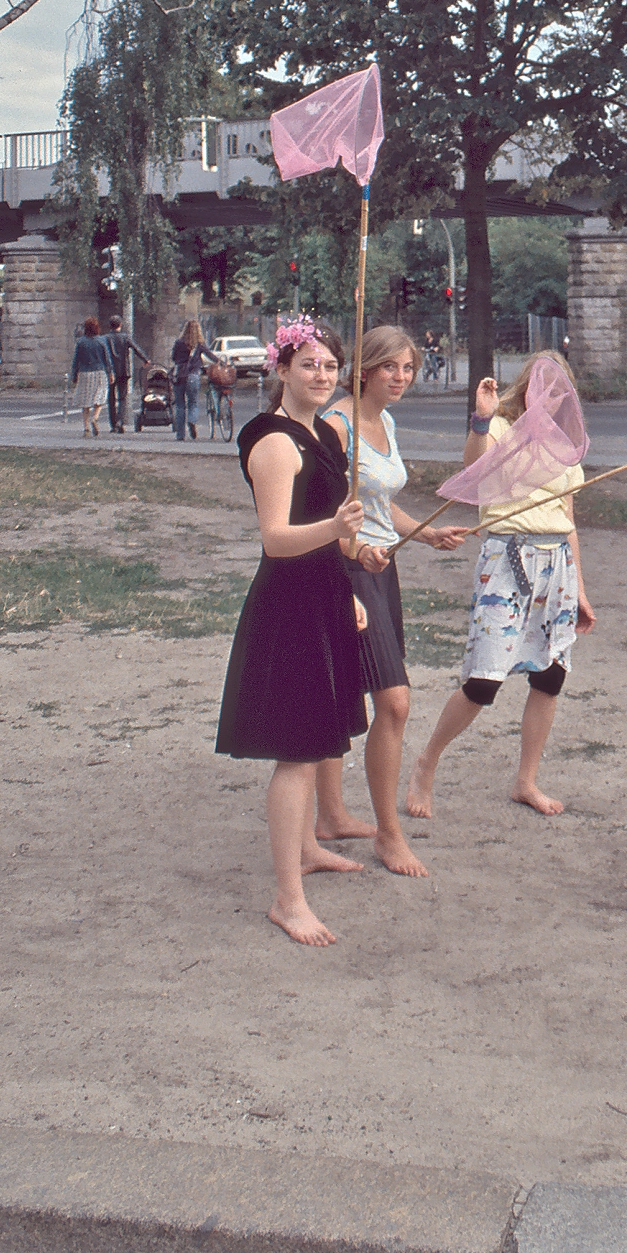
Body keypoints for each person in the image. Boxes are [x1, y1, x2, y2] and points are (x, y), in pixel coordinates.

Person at [215, 318, 383, 948]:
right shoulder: (275, 443)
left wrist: (357, 554)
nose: (321, 375)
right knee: (296, 751)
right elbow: (277, 540)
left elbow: (328, 531)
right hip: (288, 606)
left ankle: (310, 846)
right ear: (281, 369)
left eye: (330, 367)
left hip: (324, 596)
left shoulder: (324, 440)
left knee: (318, 740)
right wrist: (337, 528)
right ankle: (289, 899)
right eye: (308, 364)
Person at [405, 351, 597, 822]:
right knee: (484, 681)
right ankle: (426, 762)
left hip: (558, 564)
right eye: (541, 387)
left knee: (550, 676)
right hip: (510, 559)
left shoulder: (567, 446)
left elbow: (567, 519)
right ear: (526, 387)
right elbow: (473, 471)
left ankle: (525, 781)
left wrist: (582, 590)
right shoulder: (498, 431)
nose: (549, 397)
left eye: (558, 391)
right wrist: (480, 420)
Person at [315, 327, 467, 876]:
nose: (400, 378)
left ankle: (330, 816)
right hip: (346, 566)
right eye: (390, 368)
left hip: (383, 568)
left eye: (408, 369)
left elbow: (380, 505)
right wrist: (356, 550)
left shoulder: (387, 421)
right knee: (395, 701)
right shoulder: (336, 426)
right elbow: (320, 515)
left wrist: (424, 534)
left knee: (347, 689)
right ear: (365, 367)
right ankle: (389, 834)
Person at [101, 315, 150, 435]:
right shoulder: (125, 337)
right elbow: (136, 348)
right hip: (124, 370)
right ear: (120, 325)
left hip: (110, 372)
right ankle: (120, 421)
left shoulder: (105, 338)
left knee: (111, 398)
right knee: (122, 398)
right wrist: (145, 360)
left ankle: (113, 425)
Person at [68, 317, 114, 437]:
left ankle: (86, 428)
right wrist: (110, 373)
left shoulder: (81, 342)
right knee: (100, 396)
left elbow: (76, 360)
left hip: (84, 373)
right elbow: (107, 358)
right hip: (99, 372)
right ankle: (95, 417)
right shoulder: (101, 341)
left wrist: (74, 375)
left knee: (85, 401)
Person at [171, 318, 208, 440]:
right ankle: (192, 420)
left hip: (180, 376)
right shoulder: (199, 344)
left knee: (180, 405)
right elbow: (210, 355)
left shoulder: (179, 342)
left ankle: (180, 435)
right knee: (193, 403)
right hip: (193, 375)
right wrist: (221, 362)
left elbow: (173, 358)